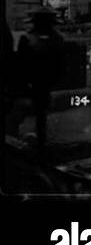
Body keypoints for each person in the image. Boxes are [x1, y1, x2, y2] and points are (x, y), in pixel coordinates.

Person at [15, 10, 64, 149]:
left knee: (30, 111)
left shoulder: (28, 38)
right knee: (41, 112)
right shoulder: (57, 38)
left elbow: (21, 62)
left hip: (31, 81)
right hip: (47, 81)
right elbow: (60, 63)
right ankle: (41, 140)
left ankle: (34, 140)